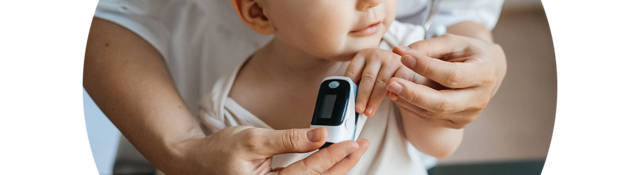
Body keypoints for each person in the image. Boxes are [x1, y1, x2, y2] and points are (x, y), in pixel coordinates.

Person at [83, 0, 505, 174]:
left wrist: (408, 82)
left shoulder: (403, 54)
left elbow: (441, 144)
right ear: (258, 12)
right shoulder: (222, 99)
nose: (370, 1)